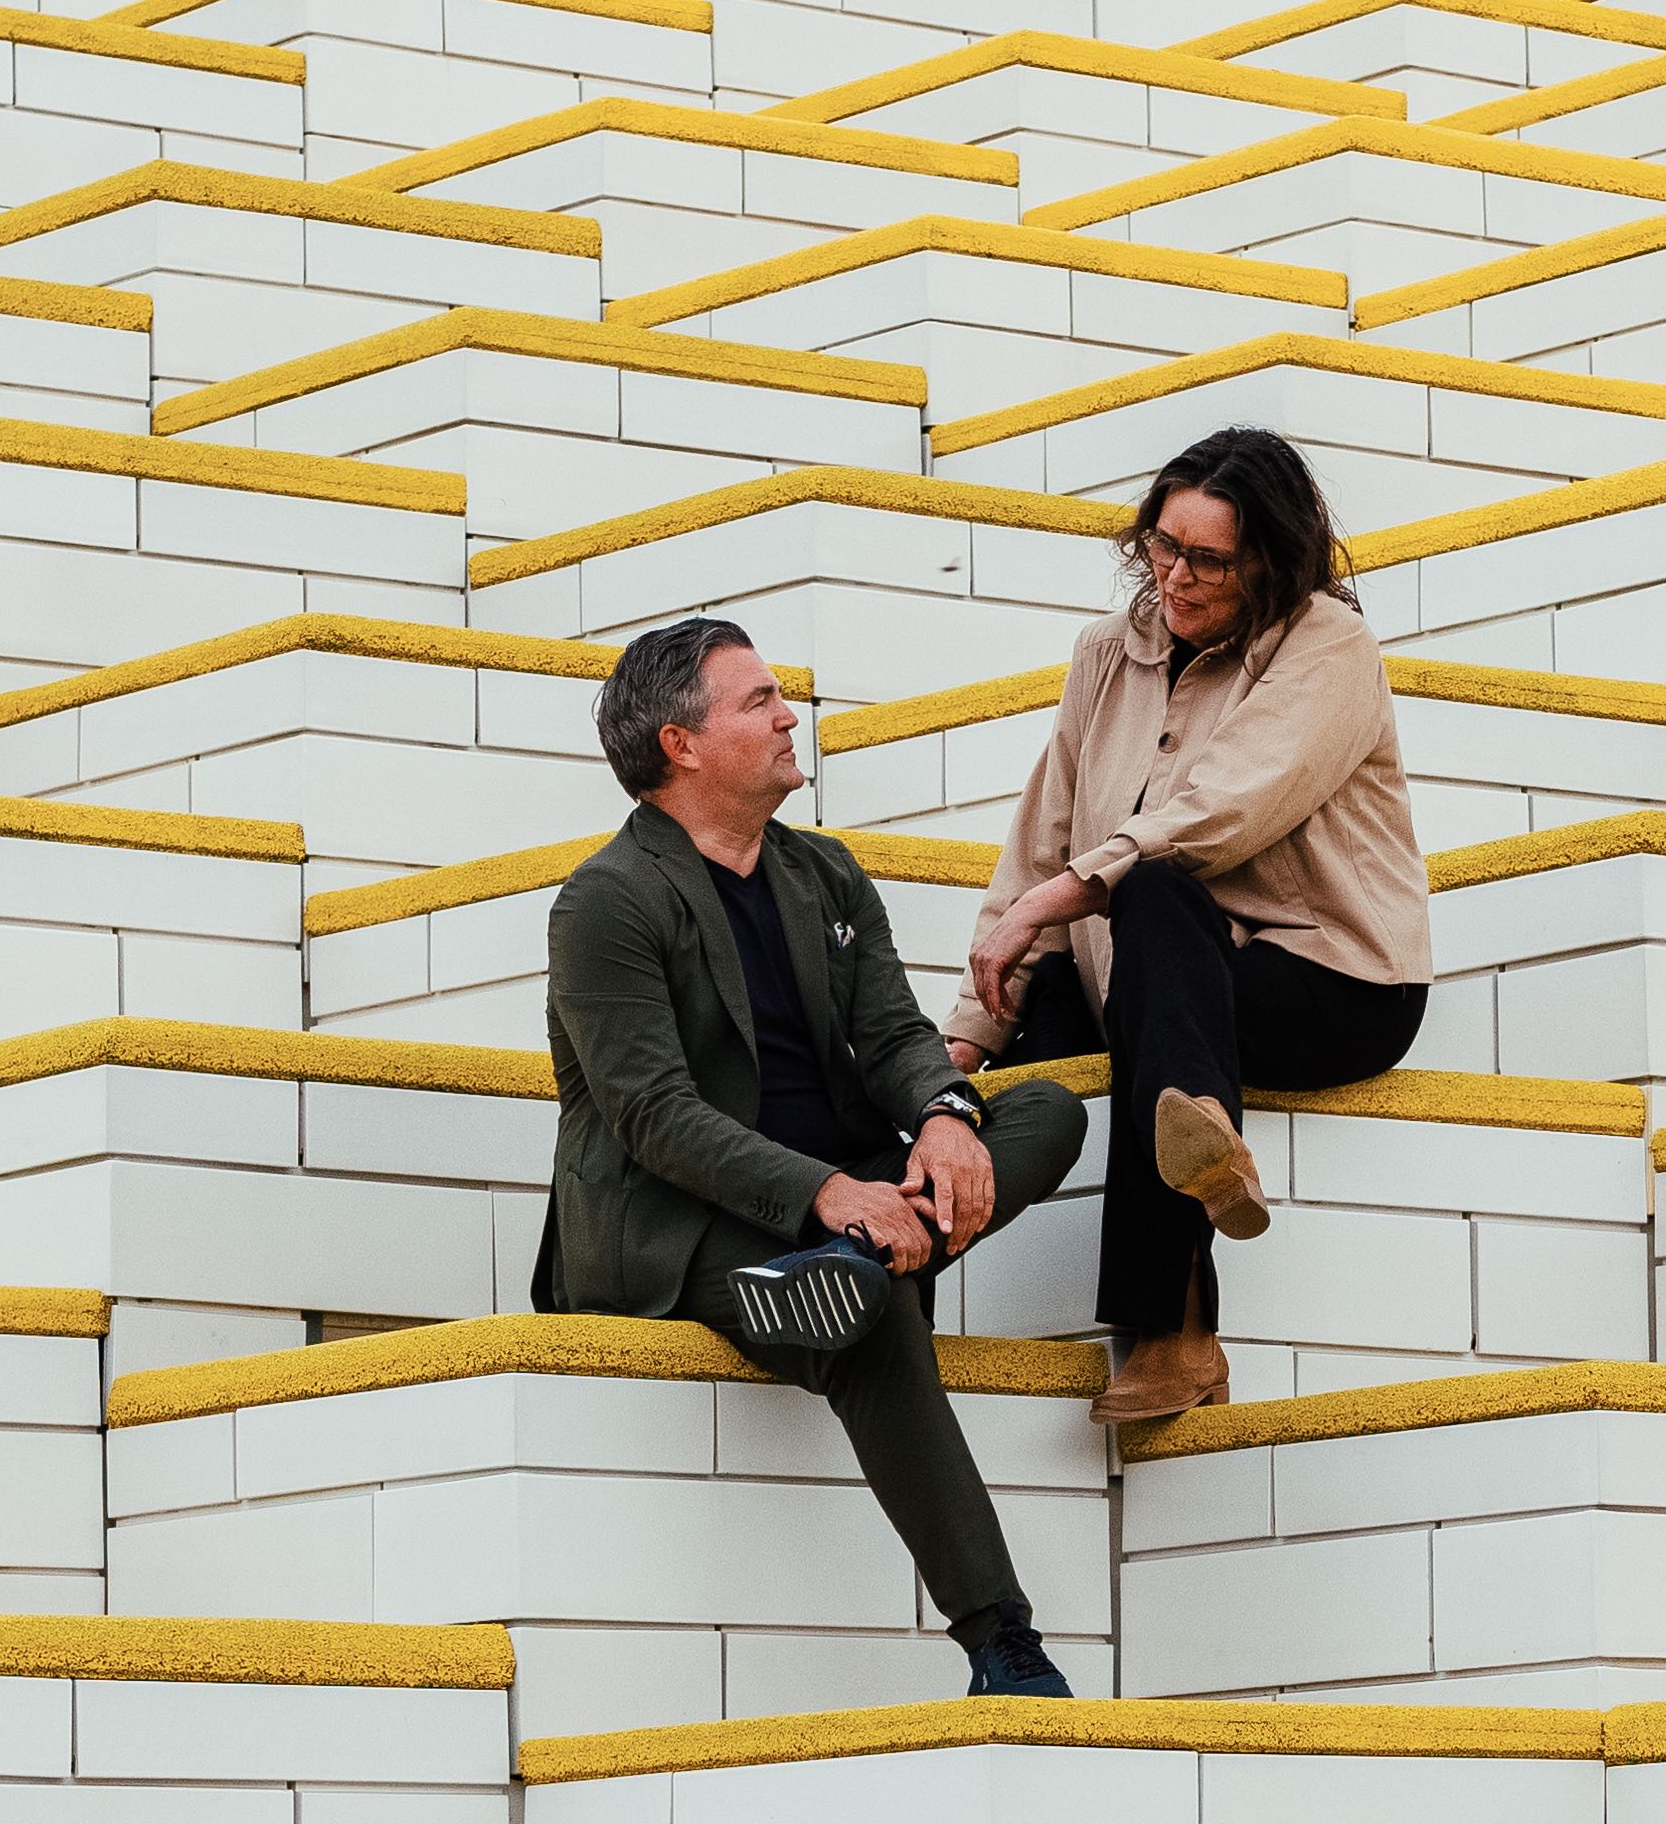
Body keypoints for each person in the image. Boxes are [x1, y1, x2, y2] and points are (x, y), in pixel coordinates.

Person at [535, 610, 1091, 1697]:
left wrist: (940, 1116)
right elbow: (652, 1115)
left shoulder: (823, 874)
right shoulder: (606, 902)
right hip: (677, 1223)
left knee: (1047, 1113)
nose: (791, 714)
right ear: (679, 745)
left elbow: (893, 1037)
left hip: (844, 1204)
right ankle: (1000, 1640)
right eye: (758, 701)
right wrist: (832, 1192)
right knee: (871, 1314)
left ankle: (848, 1270)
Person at [949, 425, 1427, 1438]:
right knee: (1056, 1005)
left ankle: (1169, 1326)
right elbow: (1038, 841)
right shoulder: (1105, 654)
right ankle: (1197, 1142)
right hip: (1166, 982)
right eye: (1164, 546)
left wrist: (1056, 898)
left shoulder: (1326, 646)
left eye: (1208, 559)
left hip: (1331, 980)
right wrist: (962, 1045)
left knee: (1156, 890)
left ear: (1269, 560)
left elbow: (1224, 811)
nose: (1177, 574)